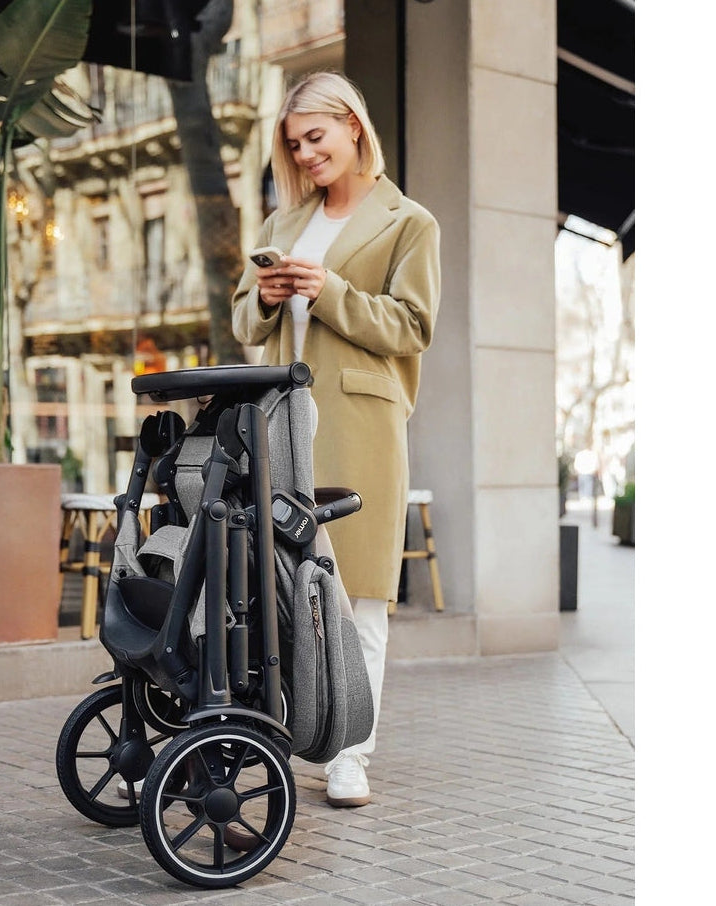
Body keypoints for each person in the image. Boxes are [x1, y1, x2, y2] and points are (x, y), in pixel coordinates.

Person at [232, 71, 441, 808]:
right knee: (280, 587)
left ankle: (352, 754)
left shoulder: (409, 222)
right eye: (294, 145)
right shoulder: (282, 223)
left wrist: (330, 292)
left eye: (315, 137)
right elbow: (243, 321)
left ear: (353, 125)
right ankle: (289, 733)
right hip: (280, 422)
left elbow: (412, 326)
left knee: (359, 595)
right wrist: (265, 296)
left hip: (360, 422)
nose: (305, 155)